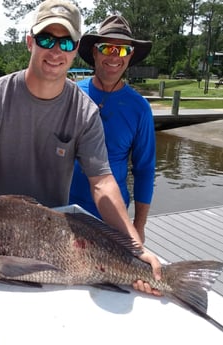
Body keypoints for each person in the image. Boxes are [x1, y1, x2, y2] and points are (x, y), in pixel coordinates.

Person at [0, 0, 161, 295]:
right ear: (30, 42)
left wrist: (134, 245)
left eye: (65, 42)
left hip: (56, 246)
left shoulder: (85, 112)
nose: (55, 51)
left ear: (76, 49)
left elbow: (103, 182)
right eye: (46, 39)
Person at [69, 15, 155, 242]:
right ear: (95, 52)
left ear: (131, 56)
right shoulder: (69, 94)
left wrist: (139, 226)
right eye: (107, 47)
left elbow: (144, 170)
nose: (115, 56)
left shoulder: (140, 109)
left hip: (112, 220)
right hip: (63, 212)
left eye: (123, 50)